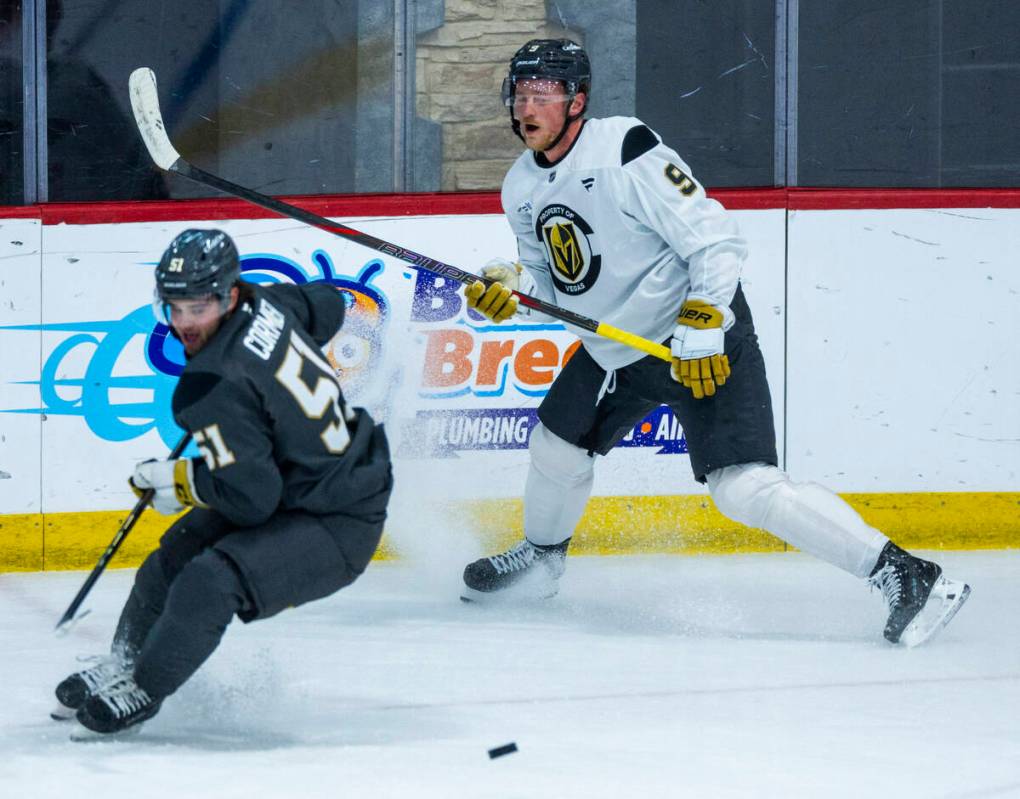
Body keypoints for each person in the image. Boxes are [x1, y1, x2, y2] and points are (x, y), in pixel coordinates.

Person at [459, 39, 970, 647]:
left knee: (744, 488)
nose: (527, 106)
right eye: (520, 93)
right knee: (556, 446)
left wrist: (705, 318)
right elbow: (555, 276)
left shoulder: (624, 146)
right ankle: (543, 561)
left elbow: (715, 239)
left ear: (577, 101)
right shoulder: (520, 185)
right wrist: (511, 284)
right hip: (615, 351)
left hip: (695, 336)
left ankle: (908, 576)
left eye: (542, 93)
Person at [53, 229, 392, 736]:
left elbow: (254, 499)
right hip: (310, 483)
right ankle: (124, 660)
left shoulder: (210, 385)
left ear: (230, 295)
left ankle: (143, 690)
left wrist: (183, 479)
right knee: (174, 553)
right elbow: (329, 305)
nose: (186, 323)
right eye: (176, 307)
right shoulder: (267, 299)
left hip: (337, 520)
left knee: (209, 580)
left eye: (200, 308)